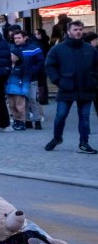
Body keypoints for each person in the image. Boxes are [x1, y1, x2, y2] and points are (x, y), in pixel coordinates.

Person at [44, 19, 98, 153]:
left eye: (80, 29)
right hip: (66, 87)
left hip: (86, 87)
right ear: (68, 32)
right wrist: (58, 81)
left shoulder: (89, 49)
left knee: (85, 117)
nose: (78, 32)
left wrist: (94, 80)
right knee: (61, 115)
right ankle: (57, 138)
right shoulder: (58, 49)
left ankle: (84, 143)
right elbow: (49, 66)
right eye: (75, 30)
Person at [6, 29, 44, 131]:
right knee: (23, 100)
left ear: (25, 37)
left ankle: (37, 120)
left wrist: (32, 71)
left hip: (31, 78)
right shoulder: (12, 49)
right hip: (18, 79)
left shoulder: (34, 48)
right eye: (15, 38)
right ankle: (27, 121)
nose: (17, 40)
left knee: (32, 99)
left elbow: (40, 62)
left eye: (19, 38)